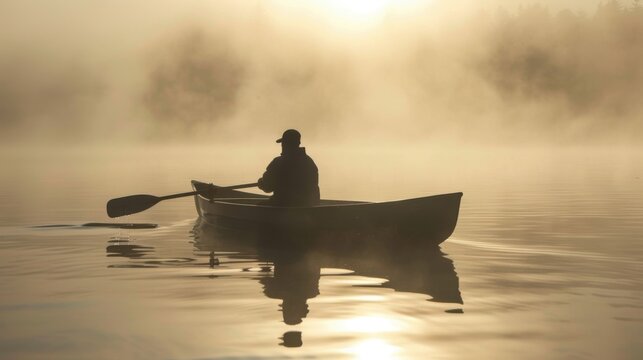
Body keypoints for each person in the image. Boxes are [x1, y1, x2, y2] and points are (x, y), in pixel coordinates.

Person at [258, 129, 320, 206]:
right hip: (309, 206)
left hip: (285, 207)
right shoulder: (309, 162)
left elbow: (268, 187)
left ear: (285, 144)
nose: (282, 145)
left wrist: (261, 183)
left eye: (283, 143)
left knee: (259, 206)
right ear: (298, 143)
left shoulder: (278, 162)